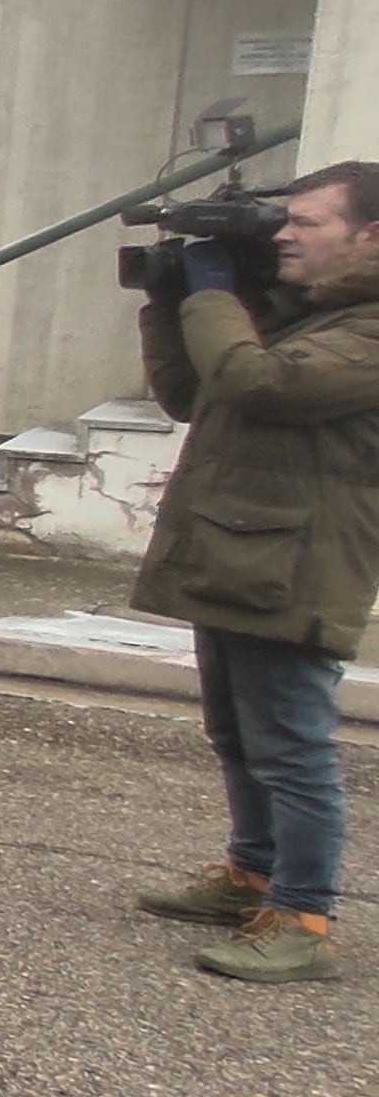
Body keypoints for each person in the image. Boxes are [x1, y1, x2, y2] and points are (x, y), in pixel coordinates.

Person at [130, 160, 379, 983]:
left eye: (306, 223)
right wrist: (171, 303)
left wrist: (212, 292)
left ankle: (303, 914)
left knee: (293, 748)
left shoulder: (367, 330)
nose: (283, 234)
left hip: (297, 567)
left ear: (370, 236)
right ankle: (251, 875)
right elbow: (192, 393)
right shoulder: (304, 315)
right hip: (241, 552)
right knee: (238, 735)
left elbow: (256, 380)